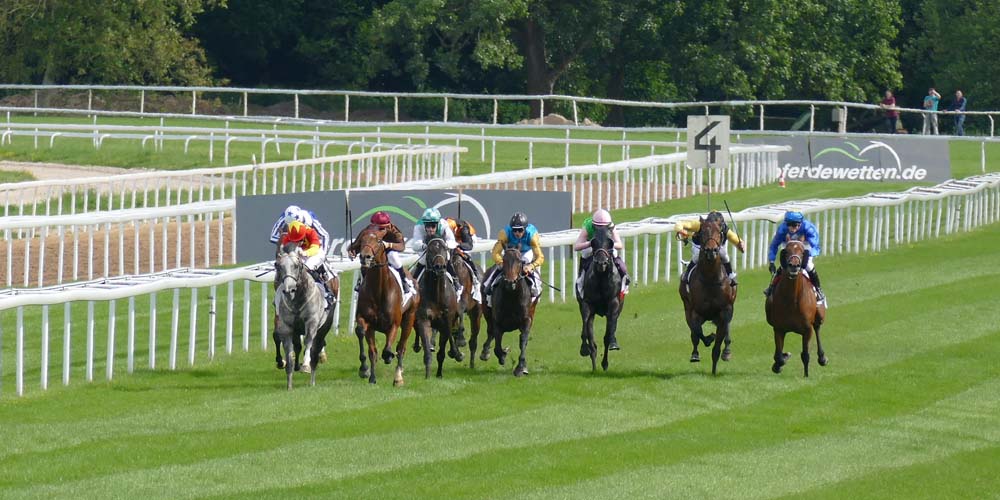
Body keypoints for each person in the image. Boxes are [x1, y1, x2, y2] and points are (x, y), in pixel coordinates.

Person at [269, 205, 335, 304]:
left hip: (313, 249)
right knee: (286, 266)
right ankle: (279, 294)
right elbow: (276, 239)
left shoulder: (310, 228)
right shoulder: (286, 222)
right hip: (297, 250)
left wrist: (308, 253)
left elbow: (320, 241)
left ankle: (326, 291)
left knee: (310, 266)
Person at [482, 211, 544, 305]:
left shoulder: (532, 236)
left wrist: (531, 266)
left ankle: (535, 287)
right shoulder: (505, 233)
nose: (517, 233)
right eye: (514, 230)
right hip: (510, 252)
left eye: (520, 230)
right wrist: (501, 263)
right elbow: (495, 253)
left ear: (525, 229)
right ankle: (489, 284)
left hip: (525, 252)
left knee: (526, 268)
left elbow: (540, 257)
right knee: (499, 268)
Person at [764, 211, 825, 302]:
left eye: (795, 225)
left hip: (805, 244)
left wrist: (807, 254)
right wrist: (771, 262)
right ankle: (771, 287)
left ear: (800, 223)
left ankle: (818, 289)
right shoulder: (782, 229)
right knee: (783, 266)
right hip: (788, 244)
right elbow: (774, 245)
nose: (792, 228)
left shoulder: (808, 228)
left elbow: (816, 246)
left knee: (808, 265)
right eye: (789, 225)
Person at [675, 210, 745, 287]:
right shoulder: (699, 225)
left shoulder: (724, 228)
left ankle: (730, 274)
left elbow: (735, 239)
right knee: (697, 255)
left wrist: (741, 245)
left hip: (717, 246)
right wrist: (681, 230)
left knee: (724, 255)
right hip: (700, 245)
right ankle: (687, 274)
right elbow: (679, 224)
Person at [347, 211, 412, 294]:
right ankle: (361, 283)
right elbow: (356, 245)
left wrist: (389, 244)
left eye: (382, 228)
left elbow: (401, 246)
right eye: (377, 227)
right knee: (365, 260)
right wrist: (353, 252)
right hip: (374, 253)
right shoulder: (367, 231)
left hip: (388, 251)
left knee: (393, 257)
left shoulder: (394, 231)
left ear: (388, 225)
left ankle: (404, 280)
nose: (378, 231)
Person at [572, 208, 630, 296]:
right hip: (591, 247)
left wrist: (608, 245)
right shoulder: (588, 226)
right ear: (594, 225)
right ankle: (580, 283)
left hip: (606, 248)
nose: (601, 230)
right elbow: (576, 246)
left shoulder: (611, 227)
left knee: (616, 257)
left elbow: (620, 245)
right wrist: (590, 243)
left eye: (604, 227)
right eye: (599, 227)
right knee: (585, 256)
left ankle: (624, 281)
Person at [407, 207, 461, 293]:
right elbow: (415, 245)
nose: (430, 229)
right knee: (423, 259)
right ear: (424, 224)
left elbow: (452, 241)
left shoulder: (444, 225)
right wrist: (424, 246)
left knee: (446, 257)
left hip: (441, 247)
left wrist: (445, 245)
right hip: (427, 247)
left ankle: (455, 280)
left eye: (433, 226)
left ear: (438, 223)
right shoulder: (419, 226)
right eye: (427, 226)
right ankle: (414, 282)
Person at [444, 216, 483, 297]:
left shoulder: (464, 229)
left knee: (464, 256)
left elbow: (469, 246)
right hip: (454, 239)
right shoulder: (444, 227)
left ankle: (476, 278)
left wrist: (458, 245)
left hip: (467, 240)